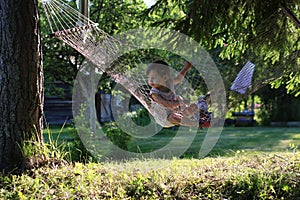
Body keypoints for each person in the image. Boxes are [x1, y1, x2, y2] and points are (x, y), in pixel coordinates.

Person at [146, 60, 207, 127]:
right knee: (174, 116)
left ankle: (201, 115)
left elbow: (178, 78)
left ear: (165, 78)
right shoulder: (154, 94)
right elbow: (166, 104)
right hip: (164, 117)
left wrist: (186, 67)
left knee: (193, 107)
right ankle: (196, 124)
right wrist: (181, 102)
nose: (150, 80)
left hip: (176, 111)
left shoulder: (169, 83)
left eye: (153, 77)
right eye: (148, 78)